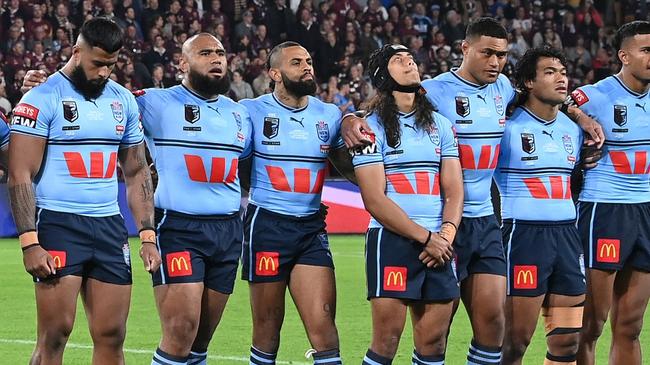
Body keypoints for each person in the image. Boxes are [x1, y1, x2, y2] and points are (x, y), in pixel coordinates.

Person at [340, 18, 604, 365]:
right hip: (443, 221)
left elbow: (548, 96)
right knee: (435, 332)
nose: (496, 62)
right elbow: (389, 103)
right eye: (487, 53)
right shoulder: (434, 90)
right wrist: (349, 118)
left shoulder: (505, 88)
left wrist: (580, 116)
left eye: (502, 55)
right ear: (465, 49)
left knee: (494, 322)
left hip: (484, 220)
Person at [21, 33, 253, 365]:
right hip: (179, 225)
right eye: (205, 53)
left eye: (220, 52)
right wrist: (49, 85)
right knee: (181, 328)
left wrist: (347, 118)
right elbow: (100, 99)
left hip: (229, 230)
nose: (216, 58)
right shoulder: (153, 101)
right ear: (182, 64)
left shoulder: (241, 113)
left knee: (201, 337)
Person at [7, 17, 161, 364]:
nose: (104, 73)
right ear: (76, 52)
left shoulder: (123, 101)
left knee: (112, 335)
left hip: (109, 227)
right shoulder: (41, 98)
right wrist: (30, 242)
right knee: (54, 336)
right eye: (97, 64)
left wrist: (147, 234)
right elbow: (20, 174)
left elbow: (136, 171)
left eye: (111, 65)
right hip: (59, 224)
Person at [239, 41, 353, 365]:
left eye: (308, 60)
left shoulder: (329, 115)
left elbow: (351, 168)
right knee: (267, 327)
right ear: (275, 73)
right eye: (296, 62)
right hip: (267, 226)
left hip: (311, 228)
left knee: (323, 324)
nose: (307, 67)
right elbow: (234, 161)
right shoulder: (251, 110)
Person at [351, 44, 463, 365]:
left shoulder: (440, 125)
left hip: (440, 243)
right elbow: (374, 199)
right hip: (392, 241)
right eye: (398, 60)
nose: (410, 63)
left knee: (433, 343)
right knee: (386, 342)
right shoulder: (369, 127)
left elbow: (454, 190)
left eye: (412, 58)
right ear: (383, 75)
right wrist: (427, 239)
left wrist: (446, 235)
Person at [495, 46, 585, 365]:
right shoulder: (505, 129)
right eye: (550, 72)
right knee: (514, 342)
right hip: (523, 238)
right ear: (529, 82)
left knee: (567, 340)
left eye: (563, 72)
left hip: (567, 238)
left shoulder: (573, 130)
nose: (561, 78)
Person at [569, 21, 650, 365]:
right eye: (646, 50)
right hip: (605, 209)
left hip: (646, 210)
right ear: (624, 56)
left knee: (630, 326)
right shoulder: (599, 94)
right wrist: (579, 117)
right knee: (591, 324)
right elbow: (550, 103)